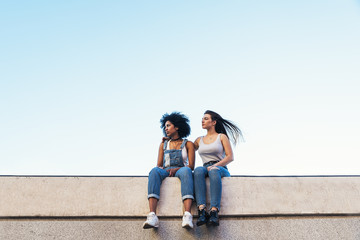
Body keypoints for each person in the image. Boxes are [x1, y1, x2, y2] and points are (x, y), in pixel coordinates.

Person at [143, 112, 195, 229]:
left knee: (187, 171)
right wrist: (165, 170)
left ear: (177, 127)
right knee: (154, 171)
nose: (165, 128)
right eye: (165, 126)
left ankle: (187, 215)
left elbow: (191, 166)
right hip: (166, 170)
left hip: (181, 169)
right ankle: (152, 215)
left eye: (168, 125)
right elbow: (159, 164)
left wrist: (177, 169)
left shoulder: (188, 144)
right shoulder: (163, 144)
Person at [194, 110, 243, 226]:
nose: (202, 120)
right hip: (205, 167)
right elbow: (186, 148)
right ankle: (201, 210)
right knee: (197, 171)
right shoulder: (198, 140)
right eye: (202, 118)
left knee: (214, 171)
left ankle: (214, 211)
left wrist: (215, 165)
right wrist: (169, 140)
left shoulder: (221, 137)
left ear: (214, 122)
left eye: (206, 118)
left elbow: (230, 157)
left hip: (220, 168)